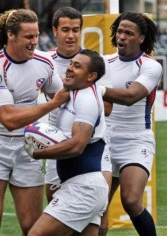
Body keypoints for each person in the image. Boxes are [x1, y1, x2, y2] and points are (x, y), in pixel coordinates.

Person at [0, 9, 69, 236]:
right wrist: (50, 104)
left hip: (29, 147)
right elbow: (8, 119)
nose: (34, 42)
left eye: (36, 36)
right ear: (11, 35)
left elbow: (66, 98)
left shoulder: (44, 63)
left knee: (31, 226)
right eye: (28, 37)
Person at [25, 49, 109, 236]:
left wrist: (37, 153)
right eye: (71, 64)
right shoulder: (75, 92)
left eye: (77, 66)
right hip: (82, 186)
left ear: (91, 76)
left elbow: (77, 145)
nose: (69, 68)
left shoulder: (87, 99)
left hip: (83, 189)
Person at [98, 11, 163, 236]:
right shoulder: (103, 62)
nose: (121, 36)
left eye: (128, 33)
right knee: (97, 206)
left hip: (136, 140)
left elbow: (130, 96)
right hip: (103, 139)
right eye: (119, 31)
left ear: (141, 38)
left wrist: (96, 88)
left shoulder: (150, 66)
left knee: (131, 199)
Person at [44, 7, 113, 217]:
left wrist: (80, 96)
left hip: (93, 146)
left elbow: (108, 108)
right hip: (55, 141)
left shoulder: (96, 62)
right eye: (65, 29)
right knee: (57, 207)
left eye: (76, 29)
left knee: (99, 215)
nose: (71, 35)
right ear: (54, 31)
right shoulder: (44, 62)